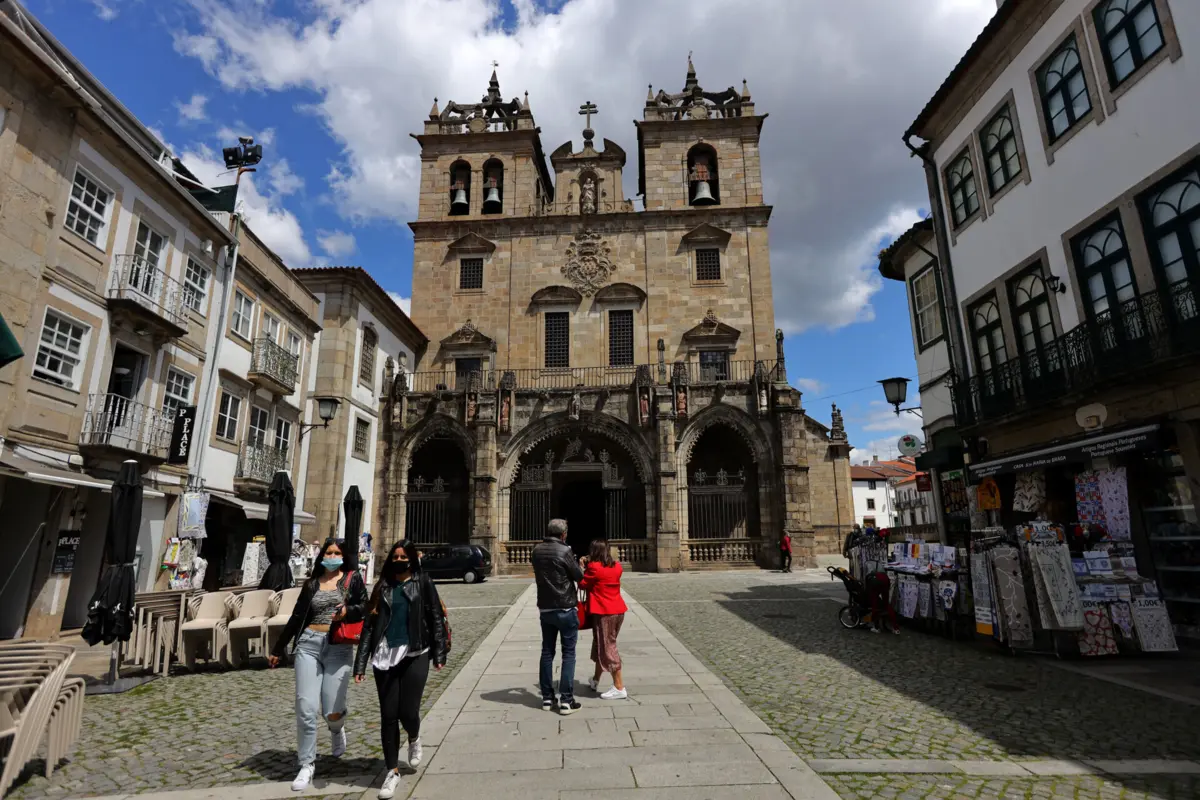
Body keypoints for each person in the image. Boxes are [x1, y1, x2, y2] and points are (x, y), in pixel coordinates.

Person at [269, 538, 367, 792]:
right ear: (322, 555)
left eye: (337, 552)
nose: (332, 556)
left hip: (338, 647)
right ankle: (307, 764)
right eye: (329, 552)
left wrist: (349, 612)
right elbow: (297, 616)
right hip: (309, 646)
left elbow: (366, 608)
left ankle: (336, 728)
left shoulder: (352, 580)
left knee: (332, 709)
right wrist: (279, 648)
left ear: (343, 556)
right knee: (306, 707)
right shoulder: (312, 584)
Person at [355, 540, 447, 800]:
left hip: (415, 652)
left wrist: (439, 653)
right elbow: (369, 626)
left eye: (402, 556)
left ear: (412, 558)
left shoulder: (423, 582)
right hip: (385, 655)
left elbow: (435, 618)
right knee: (388, 715)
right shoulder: (382, 586)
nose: (398, 560)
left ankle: (414, 737)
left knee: (408, 712)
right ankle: (392, 770)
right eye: (394, 556)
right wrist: (361, 663)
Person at [531, 518, 584, 715]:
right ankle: (566, 701)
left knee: (547, 652)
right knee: (568, 653)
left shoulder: (536, 550)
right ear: (563, 534)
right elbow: (579, 576)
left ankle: (547, 698)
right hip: (565, 607)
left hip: (545, 608)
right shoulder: (564, 551)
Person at [581, 540, 628, 700]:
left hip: (604, 612)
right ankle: (595, 680)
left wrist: (583, 567)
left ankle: (619, 686)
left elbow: (582, 584)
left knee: (608, 646)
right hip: (618, 610)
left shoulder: (594, 568)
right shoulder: (617, 566)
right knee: (600, 643)